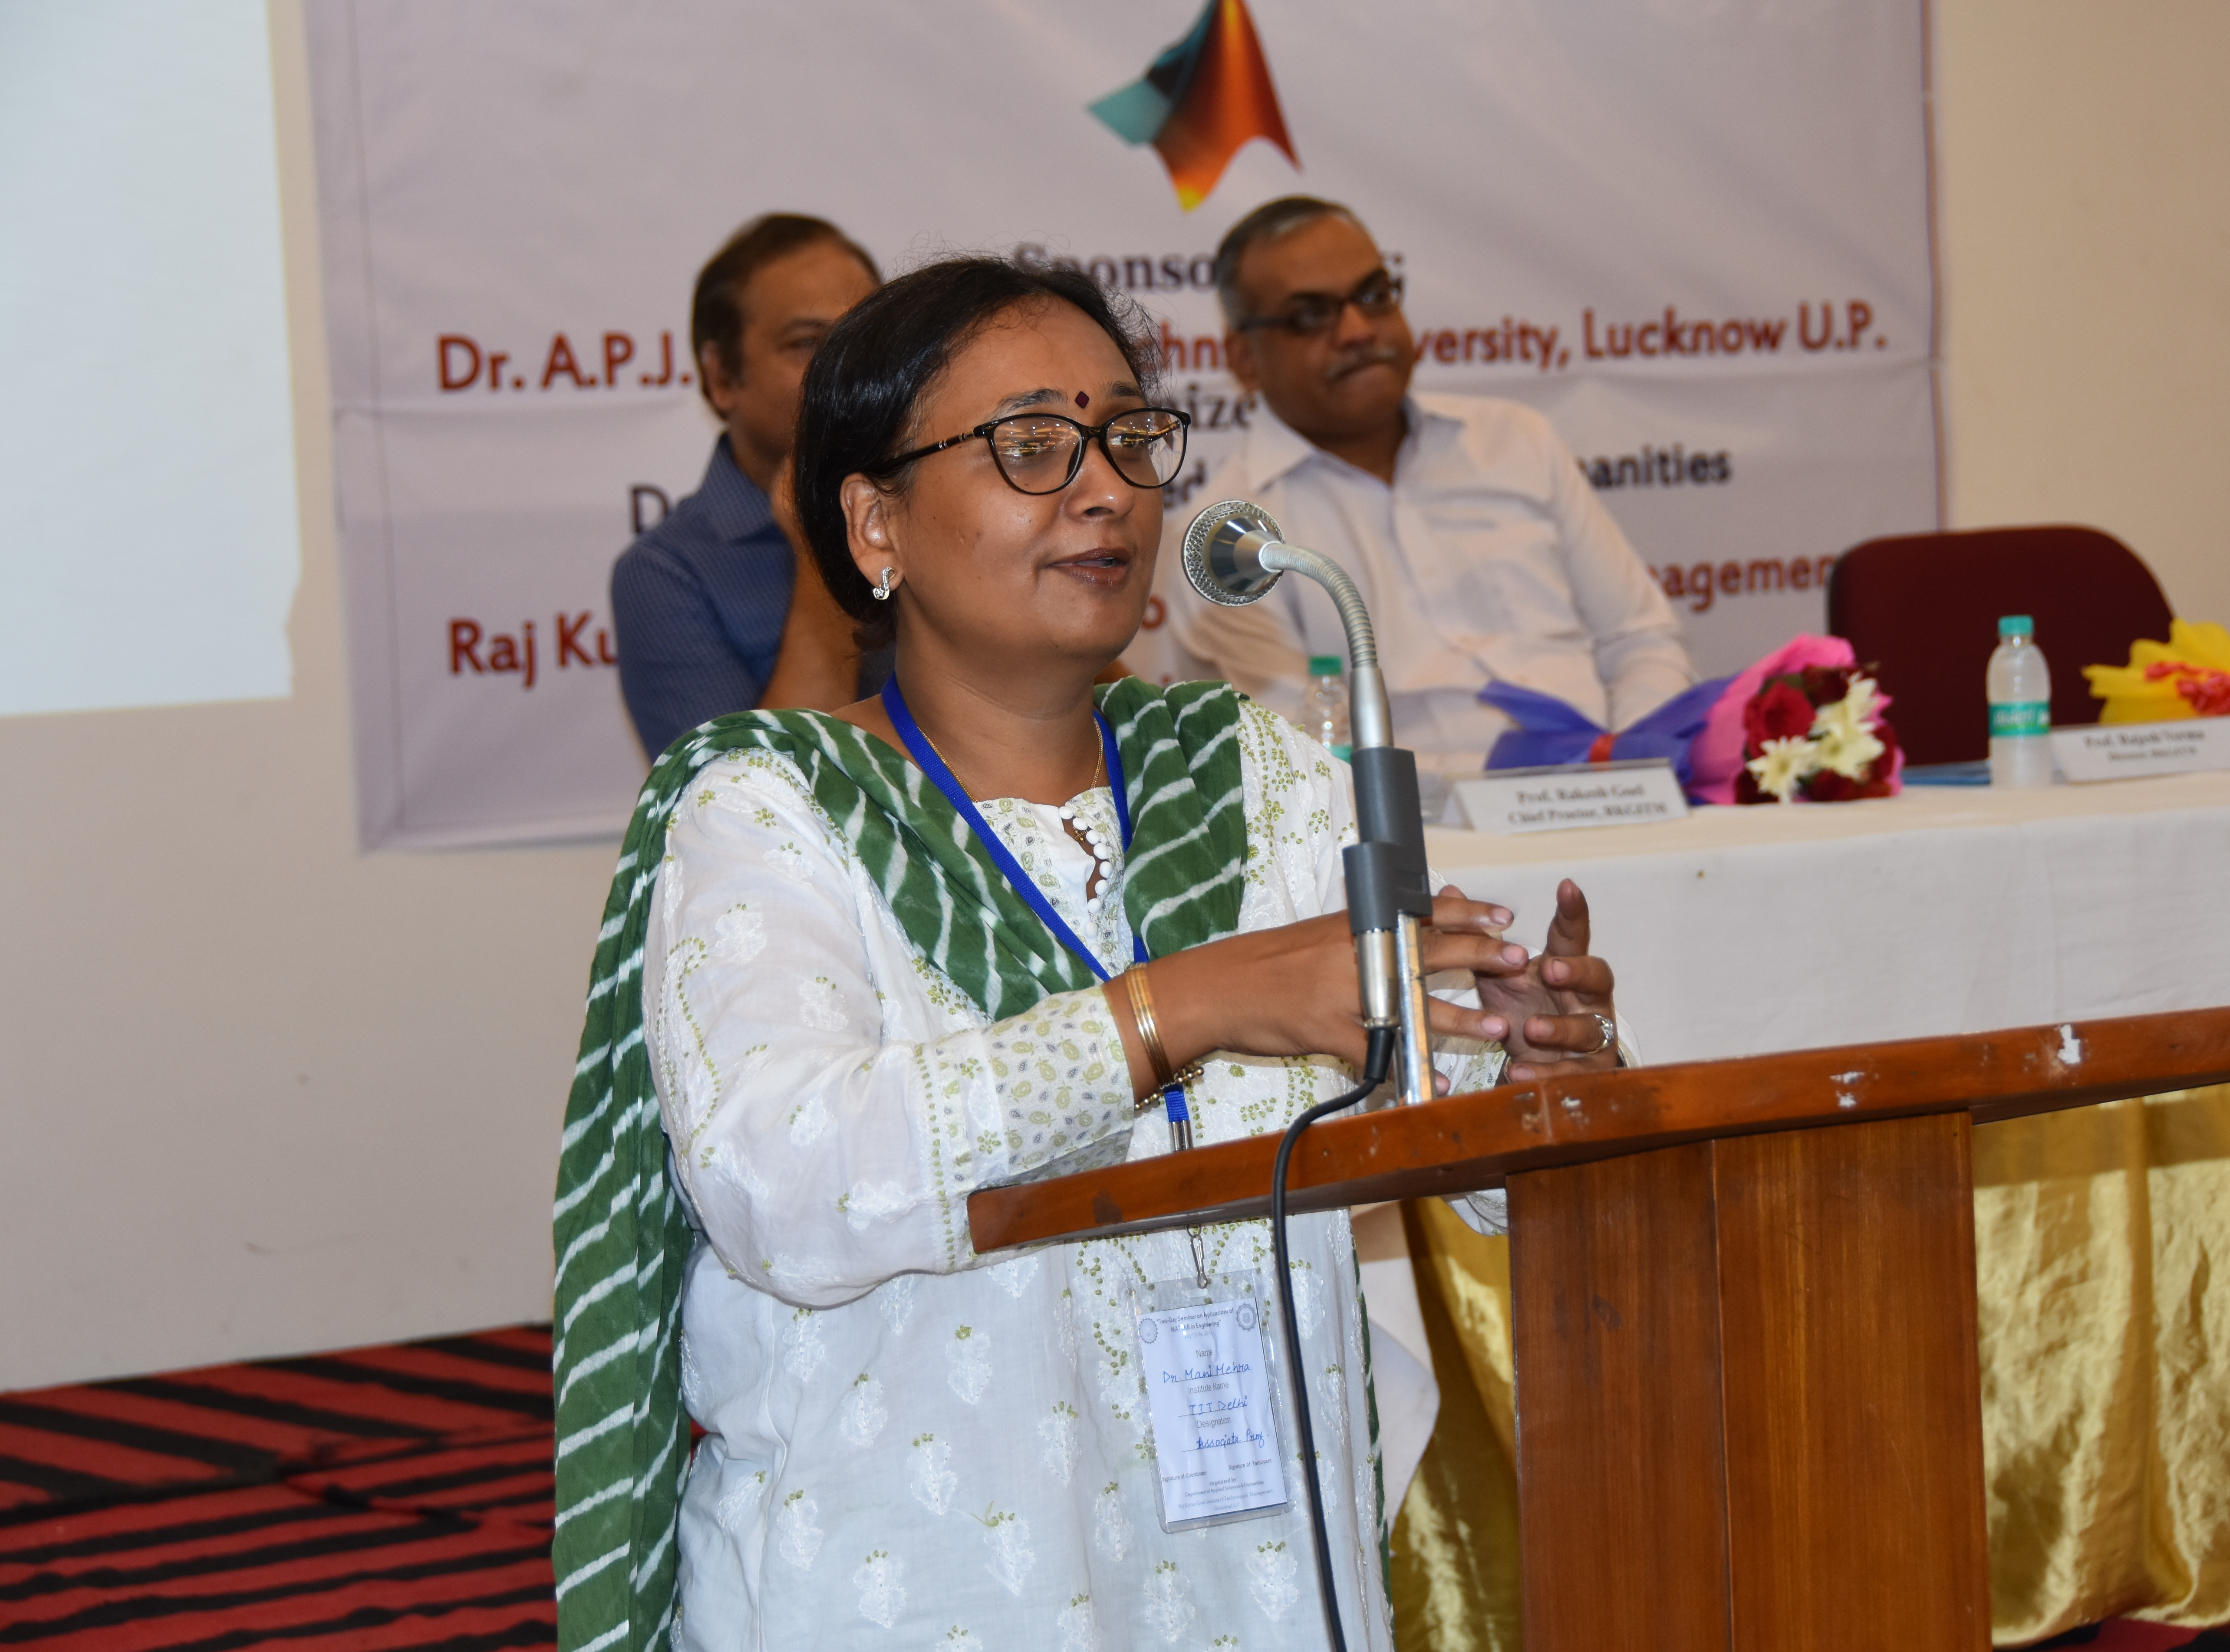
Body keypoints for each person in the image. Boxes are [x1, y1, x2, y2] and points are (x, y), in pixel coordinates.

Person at [551, 255, 1626, 1652]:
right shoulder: (769, 810)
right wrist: (1171, 1010)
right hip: (924, 1575)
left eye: (1126, 437)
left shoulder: (1254, 774)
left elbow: (1439, 1132)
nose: (1106, 488)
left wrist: (1536, 1073)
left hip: (1254, 1561)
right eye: (1029, 447)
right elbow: (786, 1186)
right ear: (874, 523)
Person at [1178, 195, 1695, 787]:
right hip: (1425, 833)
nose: (1358, 330)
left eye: (1374, 295)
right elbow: (1304, 757)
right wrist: (1505, 794)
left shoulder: (1516, 440)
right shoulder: (1231, 539)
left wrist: (1629, 769)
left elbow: (1640, 639)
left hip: (1619, 797)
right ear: (1244, 358)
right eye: (1310, 315)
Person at [610, 213, 885, 759]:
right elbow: (752, 793)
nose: (845, 369)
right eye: (807, 343)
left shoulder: (928, 508)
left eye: (864, 339)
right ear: (721, 377)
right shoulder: (666, 573)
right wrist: (819, 547)